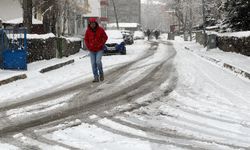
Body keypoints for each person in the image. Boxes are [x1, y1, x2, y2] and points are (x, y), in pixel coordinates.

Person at [84, 18, 108, 82]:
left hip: (99, 49)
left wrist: (101, 44)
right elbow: (86, 39)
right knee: (93, 64)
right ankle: (96, 77)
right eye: (91, 24)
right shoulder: (88, 31)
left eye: (93, 23)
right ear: (89, 24)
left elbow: (105, 37)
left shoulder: (100, 30)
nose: (92, 25)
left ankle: (101, 74)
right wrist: (88, 46)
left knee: (98, 62)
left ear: (95, 23)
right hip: (91, 50)